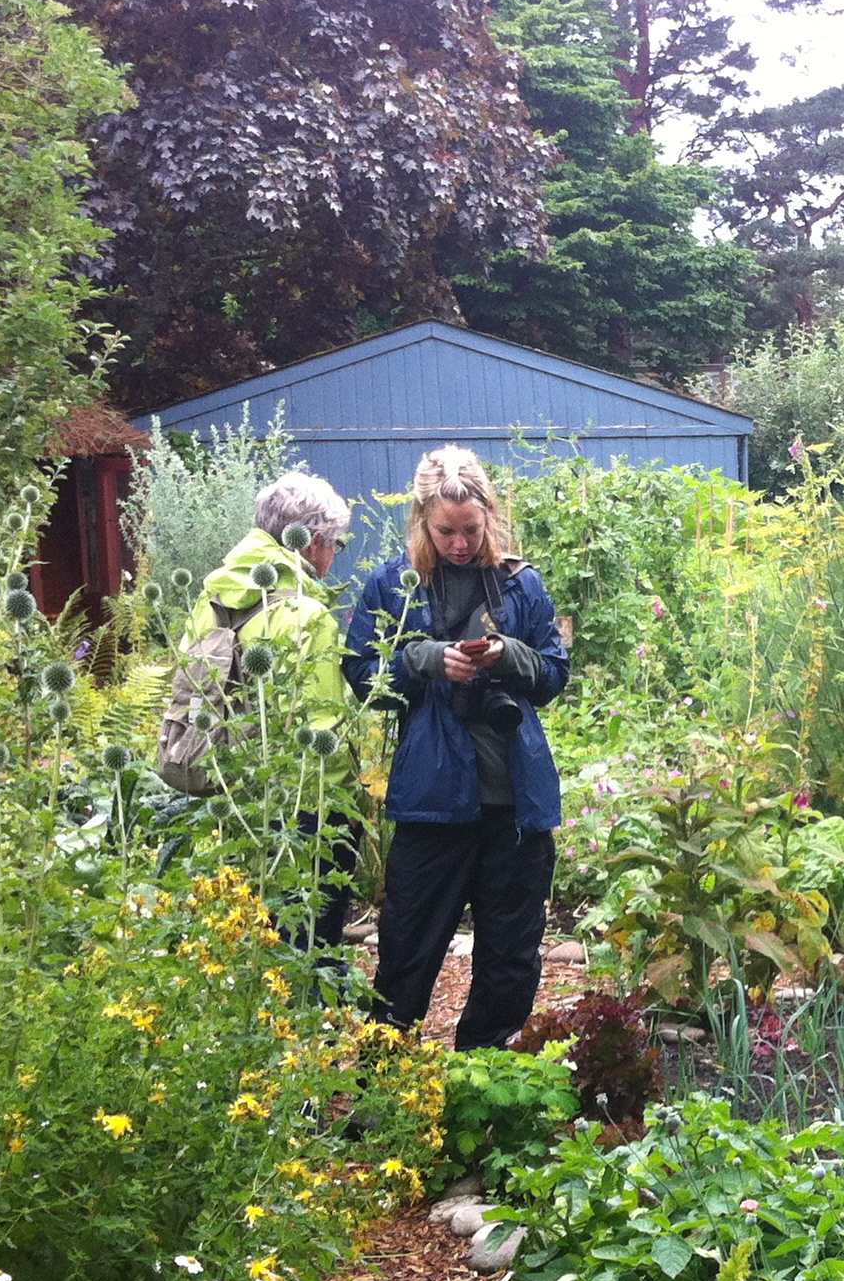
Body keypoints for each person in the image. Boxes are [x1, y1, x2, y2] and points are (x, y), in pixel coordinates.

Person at [343, 446, 569, 1048]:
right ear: (422, 520)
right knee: (406, 953)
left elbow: (553, 676)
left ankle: (481, 1086)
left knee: (511, 962)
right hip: (432, 800)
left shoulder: (521, 584)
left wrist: (510, 655)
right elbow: (360, 672)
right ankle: (383, 1089)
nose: (460, 544)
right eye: (446, 531)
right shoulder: (395, 584)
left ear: (489, 518)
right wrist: (421, 661)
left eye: (471, 530)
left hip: (514, 801)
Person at [177, 470, 359, 979]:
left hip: (233, 793)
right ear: (314, 541)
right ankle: (314, 1036)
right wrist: (346, 812)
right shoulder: (305, 614)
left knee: (254, 933)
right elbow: (322, 725)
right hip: (302, 806)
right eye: (336, 544)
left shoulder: (214, 596)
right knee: (311, 945)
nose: (332, 556)